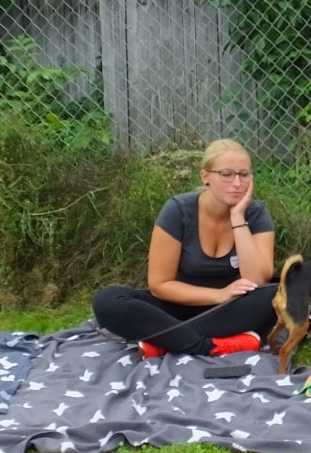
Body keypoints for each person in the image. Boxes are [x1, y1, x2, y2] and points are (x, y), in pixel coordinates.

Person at [92, 139, 277, 357]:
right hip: (177, 306)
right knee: (108, 300)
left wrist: (238, 218)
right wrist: (218, 294)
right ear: (205, 176)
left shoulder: (256, 213)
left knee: (274, 294)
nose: (237, 183)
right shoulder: (178, 211)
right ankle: (210, 346)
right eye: (226, 174)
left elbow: (256, 280)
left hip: (230, 311)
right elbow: (160, 285)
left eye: (244, 174)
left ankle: (164, 340)